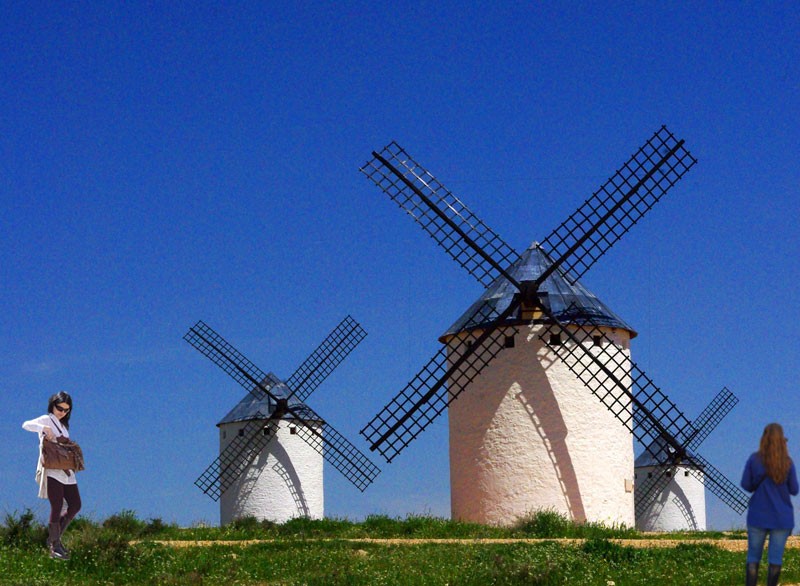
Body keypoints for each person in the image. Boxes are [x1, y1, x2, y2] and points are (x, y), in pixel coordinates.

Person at [22, 391, 82, 560]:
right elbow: (25, 424)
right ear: (52, 405)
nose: (62, 412)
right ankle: (54, 546)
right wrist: (43, 428)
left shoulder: (63, 426)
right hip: (52, 470)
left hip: (66, 471)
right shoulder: (47, 419)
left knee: (75, 504)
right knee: (56, 506)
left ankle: (53, 540)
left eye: (66, 410)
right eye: (59, 408)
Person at [741, 422, 798, 586]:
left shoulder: (754, 459)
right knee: (775, 559)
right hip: (782, 518)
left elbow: (746, 485)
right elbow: (794, 489)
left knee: (753, 557)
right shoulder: (787, 462)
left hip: (758, 516)